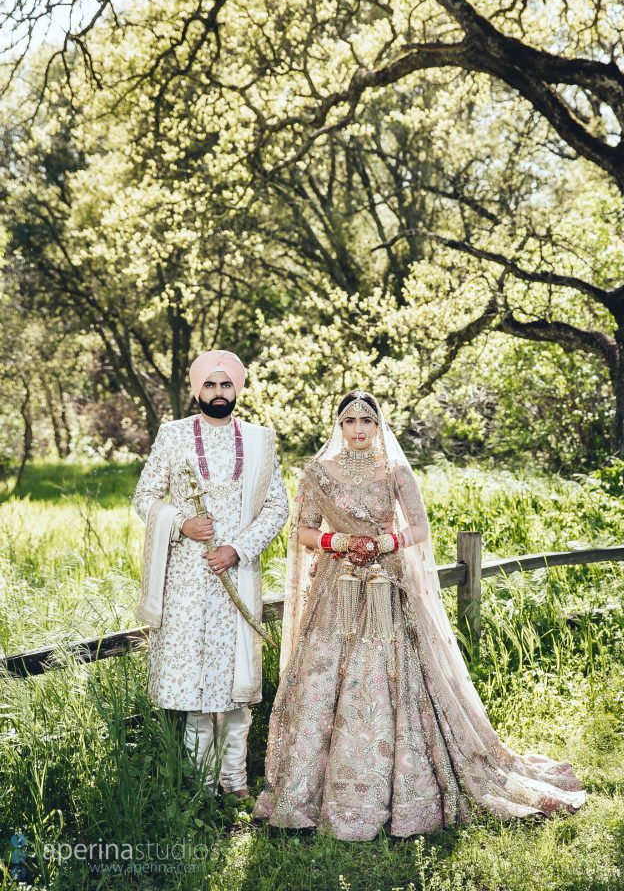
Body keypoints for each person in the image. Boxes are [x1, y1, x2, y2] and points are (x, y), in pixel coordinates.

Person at [254, 390, 586, 840]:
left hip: (389, 586)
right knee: (318, 681)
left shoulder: (394, 469)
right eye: (349, 420)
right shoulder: (317, 473)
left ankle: (403, 790)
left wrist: (384, 544)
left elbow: (419, 528)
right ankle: (305, 796)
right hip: (337, 589)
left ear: (378, 426)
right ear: (338, 425)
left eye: (366, 421)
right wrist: (341, 544)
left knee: (395, 674)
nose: (357, 429)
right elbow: (305, 532)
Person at [133, 350, 289, 797]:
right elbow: (145, 496)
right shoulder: (174, 435)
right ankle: (201, 787)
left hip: (237, 575)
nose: (218, 394)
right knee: (197, 689)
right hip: (186, 579)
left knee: (236, 686)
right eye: (209, 385)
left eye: (226, 386)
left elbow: (278, 505)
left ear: (237, 389)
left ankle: (235, 781)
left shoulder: (260, 439)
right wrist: (180, 523)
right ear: (195, 390)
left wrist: (236, 549)